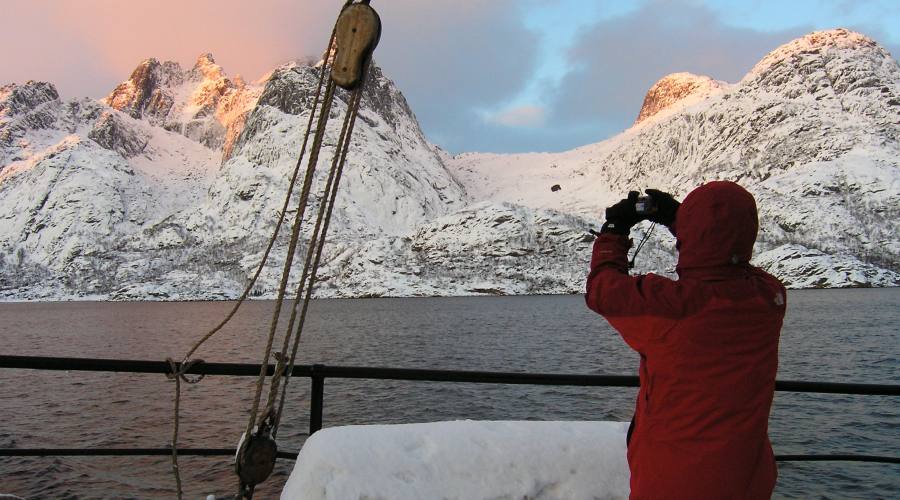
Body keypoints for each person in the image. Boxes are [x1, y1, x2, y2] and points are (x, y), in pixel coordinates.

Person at [585, 181, 786, 499]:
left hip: (674, 481)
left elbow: (602, 291)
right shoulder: (768, 296)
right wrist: (680, 219)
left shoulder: (674, 306)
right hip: (748, 476)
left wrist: (614, 231)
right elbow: (723, 252)